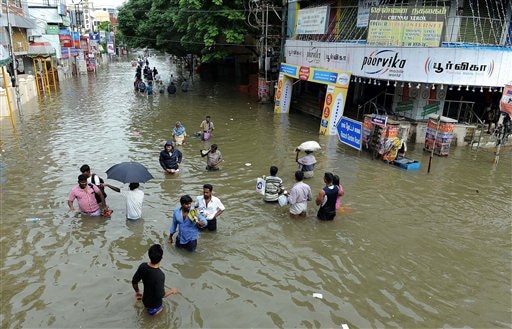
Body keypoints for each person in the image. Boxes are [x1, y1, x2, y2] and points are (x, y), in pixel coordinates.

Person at [132, 244, 178, 316]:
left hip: (145, 300)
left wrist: (137, 291)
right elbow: (161, 295)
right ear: (161, 258)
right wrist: (172, 291)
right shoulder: (160, 275)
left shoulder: (143, 266)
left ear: (149, 255)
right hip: (155, 307)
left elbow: (134, 281)